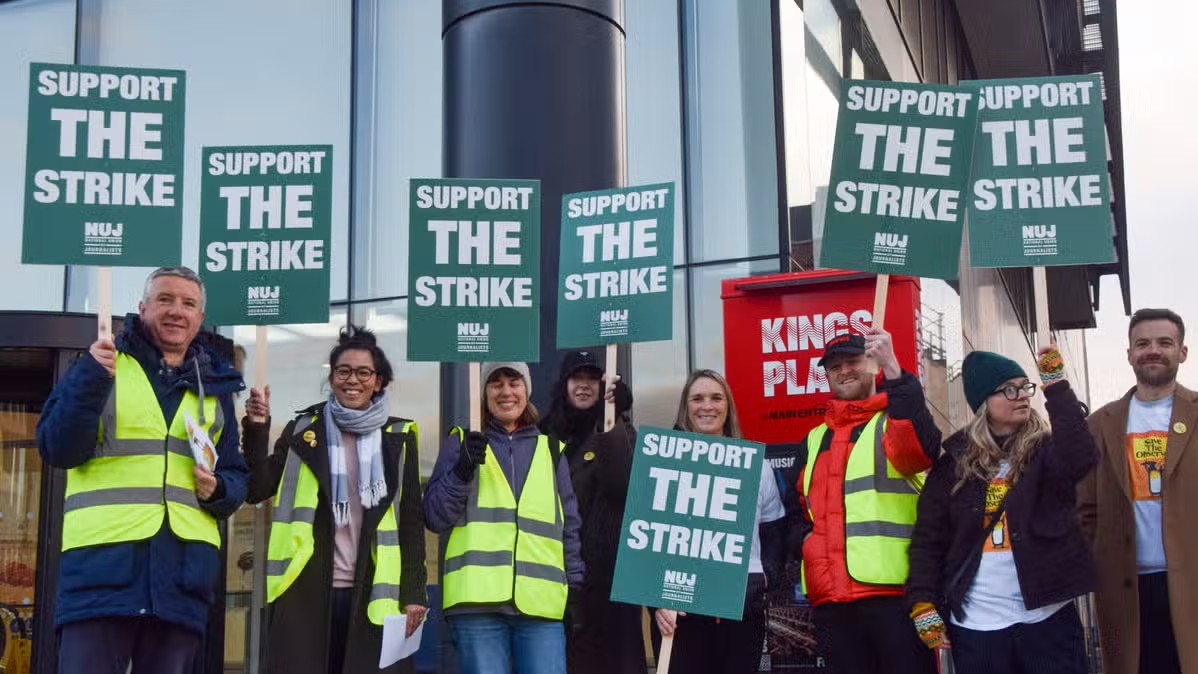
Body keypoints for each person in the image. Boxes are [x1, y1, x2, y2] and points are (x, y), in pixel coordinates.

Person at [36, 266, 248, 674]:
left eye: (188, 304)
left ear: (200, 319)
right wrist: (89, 380)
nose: (176, 311)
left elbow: (237, 477)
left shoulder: (216, 388)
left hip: (181, 580)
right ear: (142, 307)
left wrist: (219, 489)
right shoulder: (100, 365)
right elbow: (58, 448)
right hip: (101, 572)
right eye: (165, 299)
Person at [242, 326, 426, 674]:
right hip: (305, 588)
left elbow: (411, 521)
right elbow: (257, 487)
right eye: (343, 371)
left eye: (363, 372)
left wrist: (415, 591)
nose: (351, 380)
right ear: (332, 377)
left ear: (379, 381)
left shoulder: (399, 438)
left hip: (374, 593)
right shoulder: (303, 430)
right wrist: (256, 428)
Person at [906, 347, 1098, 673]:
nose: (1021, 395)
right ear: (984, 403)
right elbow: (928, 539)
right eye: (1009, 389)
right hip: (977, 628)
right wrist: (922, 602)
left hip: (1046, 619)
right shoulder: (953, 464)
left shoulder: (1046, 451)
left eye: (1025, 386)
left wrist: (1057, 387)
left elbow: (1081, 457)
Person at [792, 329, 940, 674]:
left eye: (853, 361)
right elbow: (798, 510)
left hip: (893, 597)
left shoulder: (895, 421)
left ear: (871, 363)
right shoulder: (814, 439)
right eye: (834, 366)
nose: (844, 370)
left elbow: (921, 449)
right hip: (832, 601)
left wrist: (894, 369)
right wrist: (805, 544)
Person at [424, 362, 583, 674]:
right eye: (496, 384)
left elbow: (569, 525)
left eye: (514, 382)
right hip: (476, 604)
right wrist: (461, 471)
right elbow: (434, 516)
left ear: (527, 390)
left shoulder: (551, 450)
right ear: (483, 393)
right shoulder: (460, 443)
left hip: (541, 603)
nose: (506, 391)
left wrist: (574, 587)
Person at [1080, 308, 1197, 674]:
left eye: (1165, 342)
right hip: (1125, 588)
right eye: (1142, 343)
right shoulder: (1100, 423)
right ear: (1129, 354)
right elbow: (1084, 508)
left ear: (1182, 352)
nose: (1153, 350)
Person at [654, 369, 786, 674]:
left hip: (741, 609)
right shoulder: (664, 465)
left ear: (728, 406)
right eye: (697, 398)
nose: (707, 406)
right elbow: (649, 538)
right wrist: (656, 602)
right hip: (680, 612)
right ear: (685, 407)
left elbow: (775, 532)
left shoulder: (756, 466)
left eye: (716, 397)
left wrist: (765, 579)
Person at [538, 350, 644, 674]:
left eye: (592, 379)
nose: (584, 386)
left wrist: (615, 419)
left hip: (613, 583)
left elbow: (622, 484)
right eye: (576, 378)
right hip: (559, 580)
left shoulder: (618, 428)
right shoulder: (544, 435)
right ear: (564, 384)